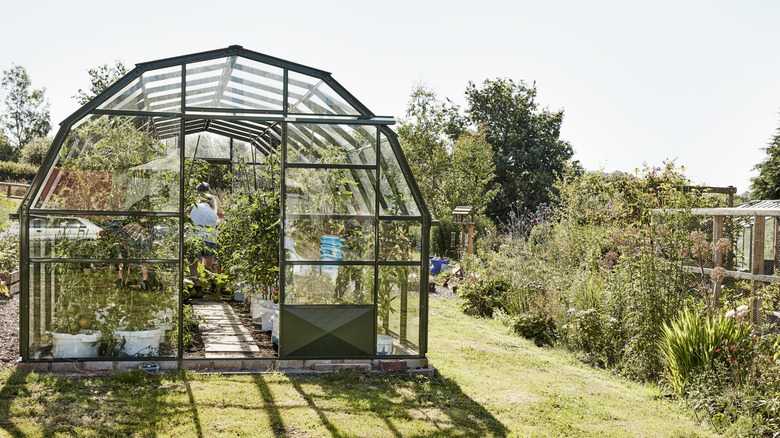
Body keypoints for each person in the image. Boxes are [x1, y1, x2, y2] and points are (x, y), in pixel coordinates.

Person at [186, 182, 225, 296]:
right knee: (209, 265)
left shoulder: (193, 205)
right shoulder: (213, 203)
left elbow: (186, 217)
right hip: (210, 239)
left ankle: (197, 289)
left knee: (193, 264)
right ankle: (214, 286)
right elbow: (221, 215)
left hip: (195, 239)